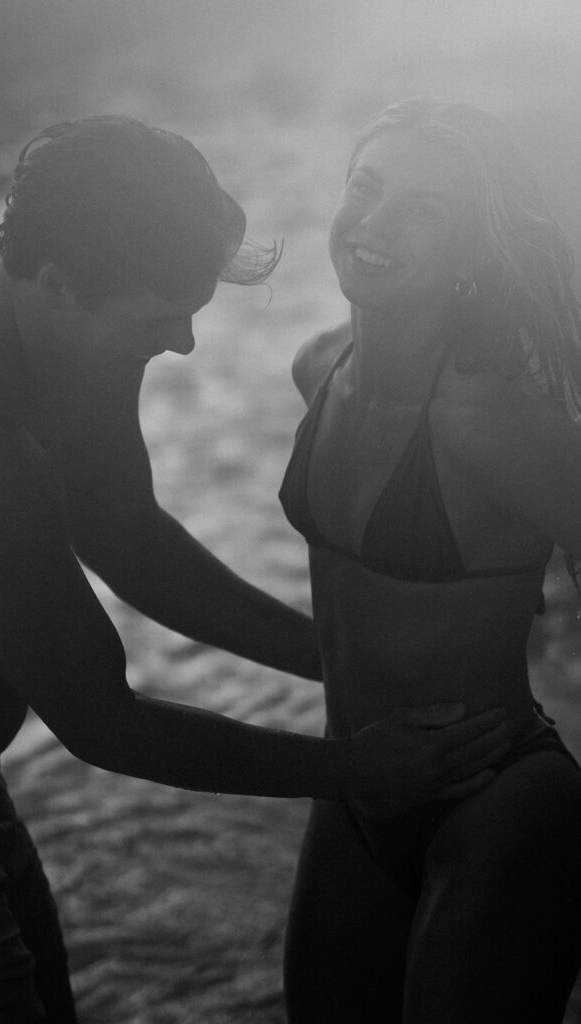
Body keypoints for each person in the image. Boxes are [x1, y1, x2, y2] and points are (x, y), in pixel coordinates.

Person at [0, 115, 511, 1023]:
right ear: (59, 285)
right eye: (159, 318)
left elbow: (126, 534)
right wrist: (352, 769)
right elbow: (103, 723)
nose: (183, 342)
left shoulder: (62, 312)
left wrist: (340, 659)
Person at [280, 97, 581, 1024]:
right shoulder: (318, 366)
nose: (372, 225)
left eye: (421, 209)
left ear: (473, 253)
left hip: (498, 803)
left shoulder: (498, 421)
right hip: (357, 787)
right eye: (365, 189)